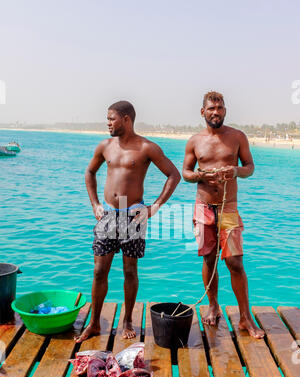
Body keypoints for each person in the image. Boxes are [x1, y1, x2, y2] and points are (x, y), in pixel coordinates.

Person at [75, 100, 181, 342]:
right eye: (108, 118)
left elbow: (173, 175)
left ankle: (128, 320)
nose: (108, 123)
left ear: (126, 119)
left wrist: (154, 207)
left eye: (112, 118)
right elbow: (90, 172)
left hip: (133, 214)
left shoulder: (147, 148)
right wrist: (94, 204)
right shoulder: (105, 146)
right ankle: (93, 324)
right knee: (100, 271)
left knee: (130, 271)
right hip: (109, 214)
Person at [182, 91, 264, 339]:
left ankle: (245, 317)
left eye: (219, 107)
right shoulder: (195, 141)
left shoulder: (237, 137)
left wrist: (236, 171)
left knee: (235, 262)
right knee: (208, 259)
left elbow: (250, 167)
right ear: (202, 112)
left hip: (228, 207)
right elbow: (185, 172)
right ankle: (213, 306)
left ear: (225, 110)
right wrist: (199, 175)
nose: (215, 112)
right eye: (211, 108)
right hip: (203, 207)